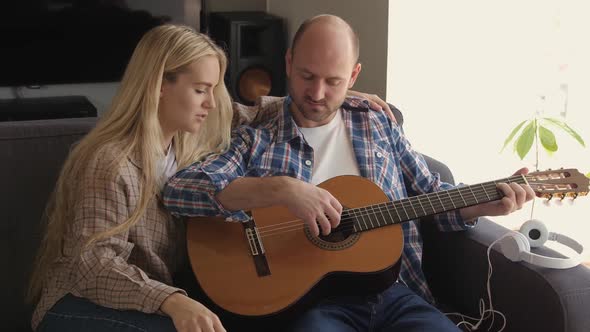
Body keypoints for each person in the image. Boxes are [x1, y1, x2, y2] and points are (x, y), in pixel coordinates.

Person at [162, 15, 536, 331]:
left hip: (398, 292)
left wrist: (485, 205)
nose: (318, 93)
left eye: (333, 81)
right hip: (312, 305)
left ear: (354, 75)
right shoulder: (257, 135)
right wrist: (281, 190)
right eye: (307, 76)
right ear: (289, 63)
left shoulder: (379, 124)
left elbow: (431, 194)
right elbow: (180, 190)